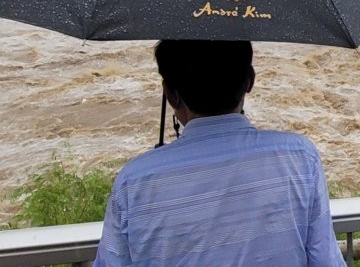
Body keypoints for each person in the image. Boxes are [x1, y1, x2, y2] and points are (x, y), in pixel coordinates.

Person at [94, 40, 346, 266]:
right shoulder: (299, 158)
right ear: (250, 80)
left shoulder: (134, 181)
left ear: (171, 95)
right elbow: (324, 259)